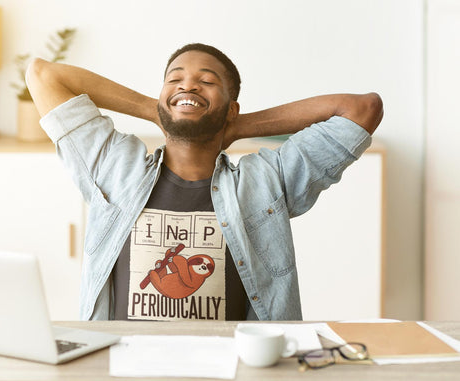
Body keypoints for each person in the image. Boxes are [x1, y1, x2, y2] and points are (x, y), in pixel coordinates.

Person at [26, 43, 383, 322]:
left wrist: (239, 127)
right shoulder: (115, 167)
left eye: (208, 81)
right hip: (125, 364)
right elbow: (43, 75)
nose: (188, 83)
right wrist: (162, 110)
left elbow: (362, 108)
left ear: (231, 108)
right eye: (174, 79)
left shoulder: (266, 181)